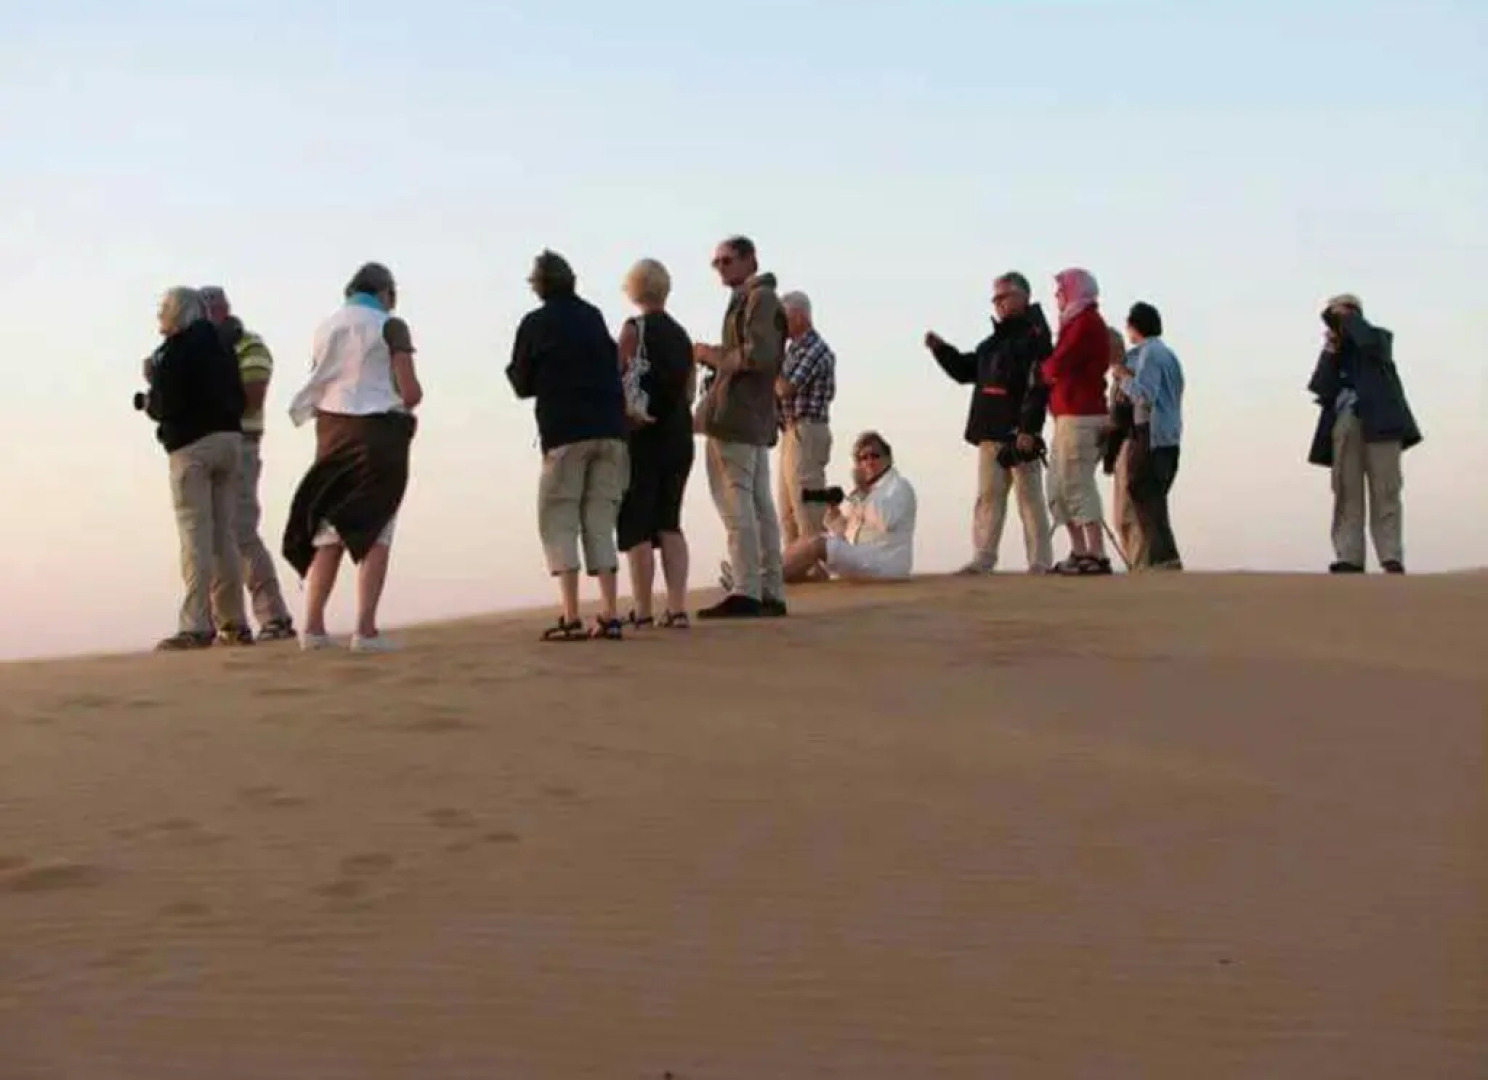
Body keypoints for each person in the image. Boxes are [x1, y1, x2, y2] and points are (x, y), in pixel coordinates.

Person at [282, 262, 422, 652]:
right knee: (376, 527)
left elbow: (320, 379)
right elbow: (410, 392)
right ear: (385, 293)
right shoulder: (391, 326)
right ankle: (365, 630)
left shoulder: (326, 327)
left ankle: (312, 627)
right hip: (379, 435)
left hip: (332, 432)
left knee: (329, 529)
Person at [508, 250, 630, 640]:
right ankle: (610, 613)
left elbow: (521, 383)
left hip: (565, 431)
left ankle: (572, 614)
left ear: (539, 285)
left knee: (560, 517)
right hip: (610, 429)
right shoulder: (593, 316)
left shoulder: (535, 323)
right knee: (600, 519)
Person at [925, 270, 1054, 575]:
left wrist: (1028, 429)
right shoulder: (992, 344)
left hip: (1019, 434)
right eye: (995, 299)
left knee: (1029, 500)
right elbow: (966, 371)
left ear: (1022, 297)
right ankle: (983, 557)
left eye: (1003, 297)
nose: (998, 303)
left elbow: (1038, 387)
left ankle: (1040, 562)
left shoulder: (1035, 337)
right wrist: (941, 350)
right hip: (990, 431)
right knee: (988, 498)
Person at [143, 287, 249, 651]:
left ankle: (196, 624)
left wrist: (153, 385)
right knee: (224, 537)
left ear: (176, 313)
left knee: (195, 537)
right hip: (229, 441)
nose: (159, 316)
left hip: (192, 448)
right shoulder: (222, 346)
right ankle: (234, 622)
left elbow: (163, 405)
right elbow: (240, 397)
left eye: (163, 309)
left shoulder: (174, 352)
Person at [692, 235, 789, 618]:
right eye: (716, 262)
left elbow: (759, 355)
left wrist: (712, 356)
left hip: (738, 416)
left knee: (738, 504)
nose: (720, 268)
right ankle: (767, 589)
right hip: (750, 416)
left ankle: (748, 589)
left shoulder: (759, 299)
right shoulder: (755, 299)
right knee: (758, 504)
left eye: (726, 260)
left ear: (750, 260)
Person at [198, 286, 296, 642]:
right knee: (210, 538)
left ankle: (274, 616)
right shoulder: (200, 352)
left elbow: (253, 396)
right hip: (207, 447)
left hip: (241, 445)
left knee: (240, 531)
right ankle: (226, 623)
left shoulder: (248, 345)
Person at [1306, 293, 1422, 574]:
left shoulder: (1378, 338)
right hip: (1346, 420)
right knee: (1346, 491)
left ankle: (1390, 555)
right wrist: (1331, 348)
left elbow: (1370, 342)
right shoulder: (1338, 351)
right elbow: (1320, 385)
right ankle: (1349, 556)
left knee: (1386, 489)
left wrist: (1348, 319)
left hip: (1382, 421)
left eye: (1342, 313)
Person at [615, 258, 695, 630]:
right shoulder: (681, 335)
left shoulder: (635, 329)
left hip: (643, 433)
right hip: (678, 433)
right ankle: (677, 607)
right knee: (670, 520)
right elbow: (689, 388)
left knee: (637, 523)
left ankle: (643, 608)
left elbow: (619, 375)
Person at [1040, 268, 1113, 575]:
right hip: (1067, 415)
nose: (1057, 296)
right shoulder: (1074, 322)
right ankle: (1079, 550)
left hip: (1082, 415)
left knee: (1077, 483)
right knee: (1057, 486)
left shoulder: (1086, 323)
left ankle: (1096, 552)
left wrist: (1043, 370)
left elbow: (1059, 363)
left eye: (1061, 291)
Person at [781, 431, 917, 583]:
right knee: (808, 540)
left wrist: (863, 492)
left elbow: (886, 521)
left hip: (884, 563)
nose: (869, 462)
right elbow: (847, 532)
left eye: (875, 456)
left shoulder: (899, 486)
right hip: (862, 557)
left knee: (816, 544)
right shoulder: (862, 492)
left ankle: (768, 579)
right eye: (863, 458)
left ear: (888, 458)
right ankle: (775, 577)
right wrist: (833, 514)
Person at [1110, 302, 1185, 570]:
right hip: (1169, 434)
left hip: (1151, 433)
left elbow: (1144, 395)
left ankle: (1163, 557)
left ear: (1134, 326)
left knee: (1143, 490)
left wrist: (1122, 377)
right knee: (1152, 494)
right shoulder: (1168, 354)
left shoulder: (1149, 354)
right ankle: (1162, 557)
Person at [775, 290, 837, 555]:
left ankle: (814, 567)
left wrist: (768, 365)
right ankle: (795, 569)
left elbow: (785, 388)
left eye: (784, 318)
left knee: (807, 511)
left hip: (807, 430)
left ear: (799, 316)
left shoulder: (814, 348)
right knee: (788, 512)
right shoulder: (793, 350)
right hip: (792, 432)